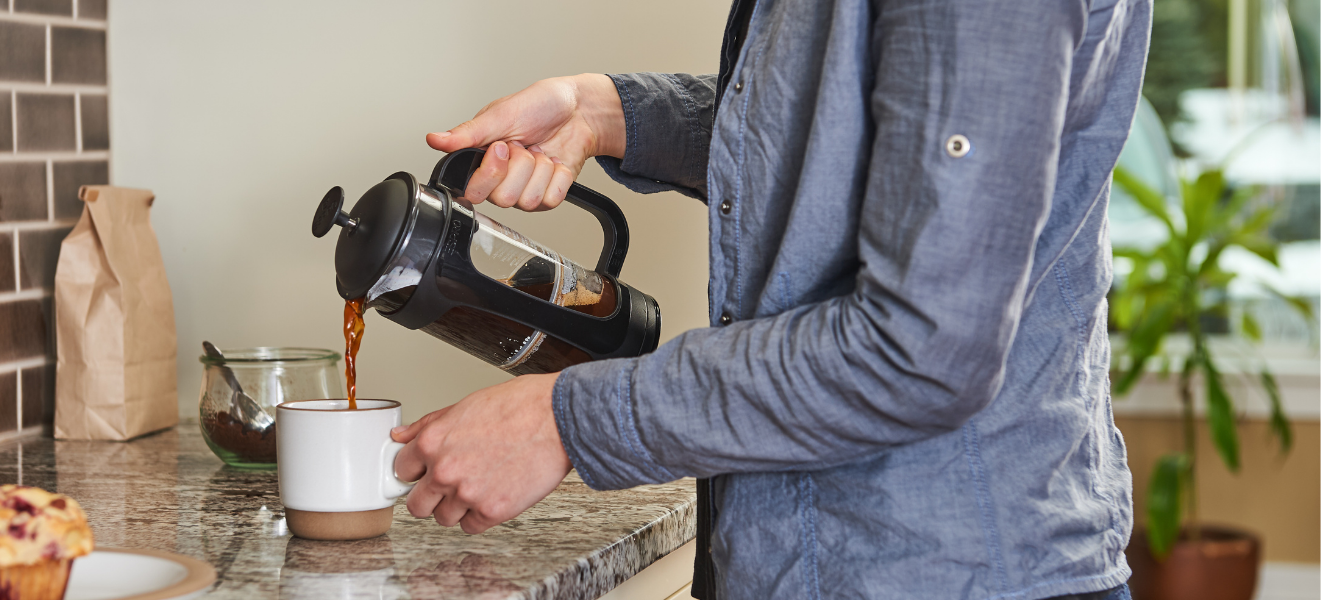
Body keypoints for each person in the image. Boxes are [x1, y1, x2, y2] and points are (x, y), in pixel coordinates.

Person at [390, 0, 1152, 597]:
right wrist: (606, 112)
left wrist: (562, 421)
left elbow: (921, 352)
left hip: (937, 570)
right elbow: (843, 138)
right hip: (793, 558)